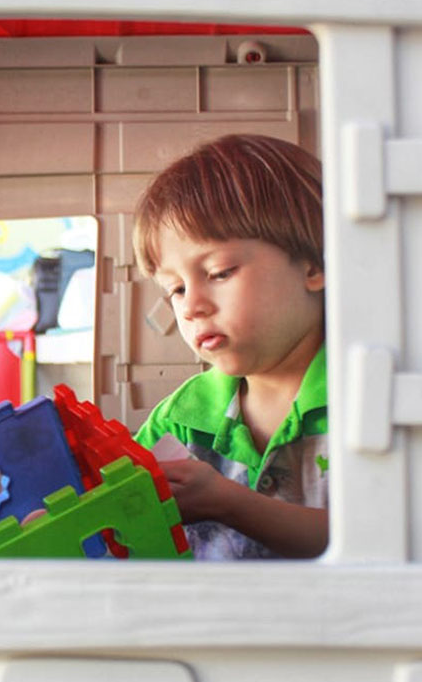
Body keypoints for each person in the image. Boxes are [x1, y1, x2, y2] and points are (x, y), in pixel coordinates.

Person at [132, 134, 327, 560]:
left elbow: (379, 541)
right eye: (176, 289)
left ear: (314, 265)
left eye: (219, 272)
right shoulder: (182, 415)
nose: (192, 306)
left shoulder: (370, 398)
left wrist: (228, 502)